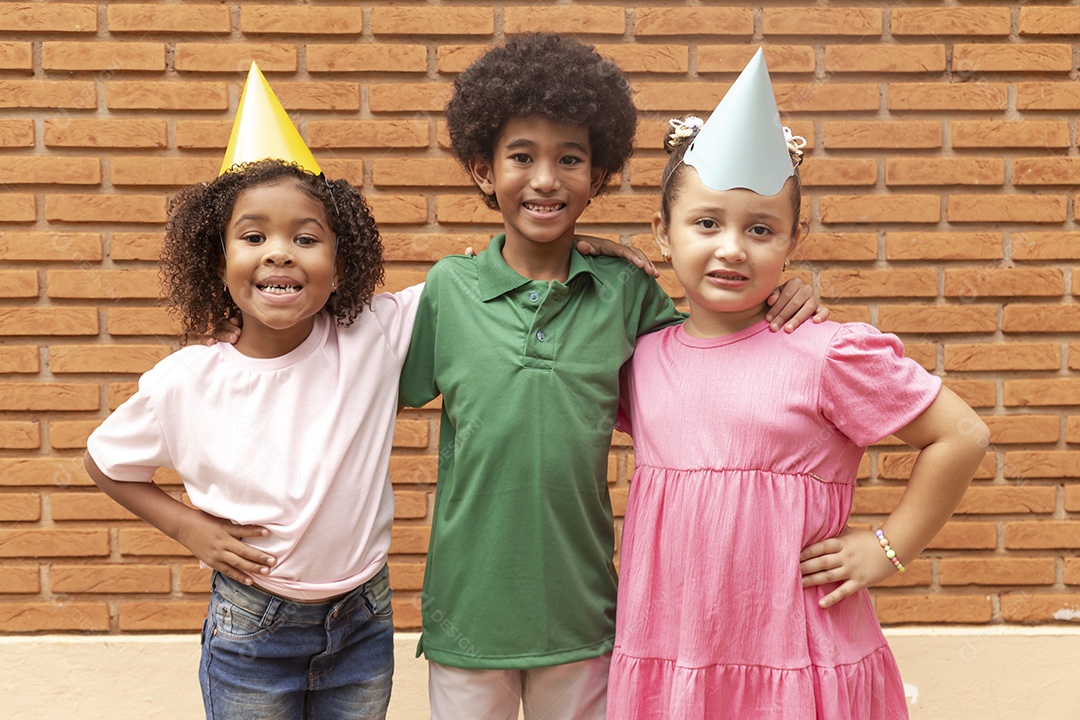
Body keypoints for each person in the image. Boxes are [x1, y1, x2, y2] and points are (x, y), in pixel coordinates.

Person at [396, 34, 826, 720]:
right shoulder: (448, 290)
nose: (545, 179)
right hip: (466, 620)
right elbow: (356, 387)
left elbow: (712, 349)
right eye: (521, 157)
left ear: (596, 178)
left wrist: (783, 292)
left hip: (587, 619)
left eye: (570, 159)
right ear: (483, 171)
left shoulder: (626, 294)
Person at [606, 50, 990, 719]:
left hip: (799, 655)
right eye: (706, 222)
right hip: (674, 652)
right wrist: (586, 254)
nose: (732, 247)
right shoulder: (637, 358)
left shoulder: (825, 353)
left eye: (760, 229)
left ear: (792, 241)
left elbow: (961, 433)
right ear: (661, 234)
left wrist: (889, 546)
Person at [84, 65, 415, 719]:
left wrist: (578, 249)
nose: (280, 252)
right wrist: (189, 529)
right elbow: (105, 460)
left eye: (306, 237)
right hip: (252, 631)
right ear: (219, 260)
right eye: (255, 236)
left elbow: (492, 273)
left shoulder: (374, 331)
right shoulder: (186, 381)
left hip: (363, 620)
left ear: (340, 262)